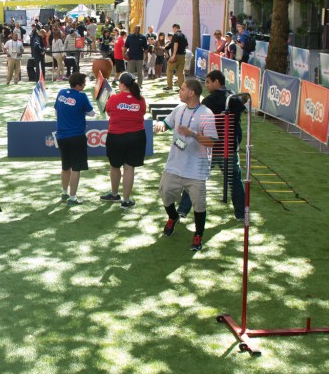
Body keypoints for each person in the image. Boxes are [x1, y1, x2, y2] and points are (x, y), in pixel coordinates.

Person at [153, 78, 218, 252]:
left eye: (182, 89)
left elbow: (211, 142)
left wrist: (193, 134)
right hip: (174, 165)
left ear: (191, 93)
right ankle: (173, 217)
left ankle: (198, 235)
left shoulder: (206, 113)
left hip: (196, 169)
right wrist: (160, 125)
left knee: (199, 204)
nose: (179, 91)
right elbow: (166, 123)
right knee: (165, 193)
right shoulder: (179, 109)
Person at [200, 70, 245, 221]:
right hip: (230, 146)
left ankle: (183, 209)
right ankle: (240, 214)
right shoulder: (235, 97)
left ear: (216, 82)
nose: (206, 85)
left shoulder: (208, 102)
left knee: (196, 176)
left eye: (208, 82)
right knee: (235, 181)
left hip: (212, 147)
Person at [101, 72, 148, 209]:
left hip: (116, 137)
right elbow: (142, 112)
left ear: (122, 84)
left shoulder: (114, 98)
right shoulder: (140, 99)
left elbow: (109, 112)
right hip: (136, 136)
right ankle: (126, 200)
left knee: (115, 166)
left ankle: (115, 194)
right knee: (129, 168)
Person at [54, 72, 95, 205]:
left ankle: (65, 192)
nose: (85, 85)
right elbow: (92, 113)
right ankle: (72, 197)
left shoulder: (61, 93)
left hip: (61, 136)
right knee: (76, 168)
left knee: (65, 166)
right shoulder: (82, 96)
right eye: (83, 83)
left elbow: (56, 110)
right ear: (78, 85)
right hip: (77, 136)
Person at [165, 23, 189, 91]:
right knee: (181, 72)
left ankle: (169, 86)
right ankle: (182, 88)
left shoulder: (175, 35)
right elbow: (186, 46)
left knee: (169, 70)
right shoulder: (184, 36)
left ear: (175, 28)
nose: (173, 30)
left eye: (173, 29)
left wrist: (173, 55)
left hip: (176, 56)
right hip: (183, 56)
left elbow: (176, 44)